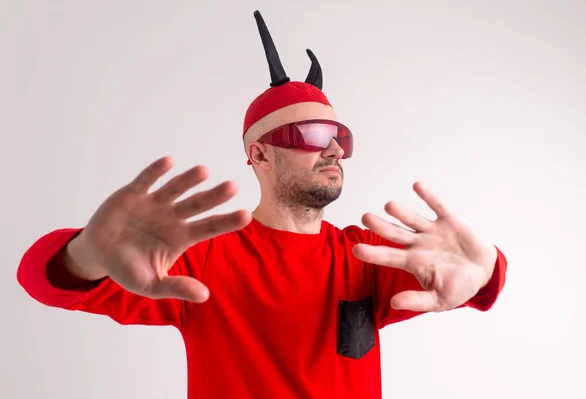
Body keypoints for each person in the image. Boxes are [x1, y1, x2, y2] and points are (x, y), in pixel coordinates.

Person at [17, 10, 507, 399]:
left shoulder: (370, 256)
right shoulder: (200, 257)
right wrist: (88, 254)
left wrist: (487, 269)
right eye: (314, 135)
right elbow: (41, 280)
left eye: (339, 135)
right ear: (259, 154)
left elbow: (460, 277)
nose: (334, 149)